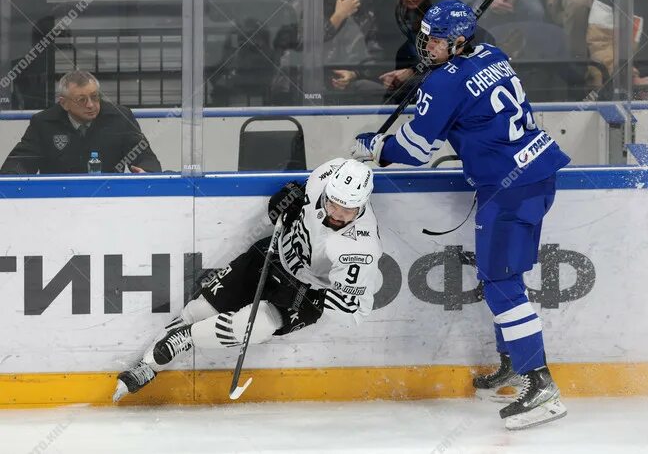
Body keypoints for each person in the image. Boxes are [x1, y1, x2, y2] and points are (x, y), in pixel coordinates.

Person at [352, 0, 570, 429]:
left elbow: (415, 150)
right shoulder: (493, 54)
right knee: (507, 277)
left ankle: (540, 384)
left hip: (509, 189)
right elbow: (463, 83)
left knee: (501, 281)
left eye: (435, 39)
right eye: (427, 36)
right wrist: (424, 78)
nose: (427, 44)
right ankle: (512, 363)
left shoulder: (442, 84)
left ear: (457, 41)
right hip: (537, 174)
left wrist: (376, 147)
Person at [113, 158, 382, 401]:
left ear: (363, 203)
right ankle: (147, 366)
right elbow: (298, 195)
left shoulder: (359, 250)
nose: (336, 214)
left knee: (258, 326)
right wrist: (288, 201)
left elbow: (354, 310)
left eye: (347, 210)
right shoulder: (325, 174)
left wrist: (315, 298)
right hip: (273, 254)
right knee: (197, 311)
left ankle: (189, 338)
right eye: (332, 203)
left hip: (305, 291)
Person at [0, 70, 161, 174]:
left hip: (109, 197)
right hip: (56, 201)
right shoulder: (43, 122)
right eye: (81, 100)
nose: (91, 105)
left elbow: (145, 157)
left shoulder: (120, 117)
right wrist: (12, 176)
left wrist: (147, 172)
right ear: (64, 103)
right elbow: (21, 160)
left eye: (95, 97)